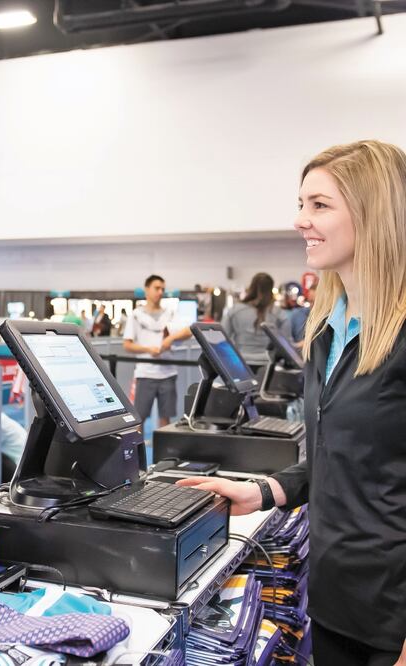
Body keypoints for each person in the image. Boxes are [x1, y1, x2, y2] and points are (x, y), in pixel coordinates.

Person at [179, 140, 406, 666]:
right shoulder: (327, 330)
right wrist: (264, 490)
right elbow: (342, 457)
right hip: (334, 602)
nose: (301, 220)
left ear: (375, 214)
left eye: (319, 205)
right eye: (301, 204)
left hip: (392, 621)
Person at [123, 275, 192, 428]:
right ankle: (136, 451)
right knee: (139, 419)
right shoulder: (135, 315)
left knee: (165, 419)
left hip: (168, 374)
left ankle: (163, 452)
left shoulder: (171, 313)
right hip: (145, 374)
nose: (160, 292)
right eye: (156, 288)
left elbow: (189, 331)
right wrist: (148, 349)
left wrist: (170, 339)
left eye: (162, 289)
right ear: (147, 289)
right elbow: (127, 345)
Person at [221, 272, 292, 368]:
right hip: (269, 366)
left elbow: (222, 340)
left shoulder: (234, 310)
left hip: (240, 363)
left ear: (251, 287)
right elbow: (286, 344)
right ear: (270, 289)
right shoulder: (279, 313)